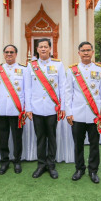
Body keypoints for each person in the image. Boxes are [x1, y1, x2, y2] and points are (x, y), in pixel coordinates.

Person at [65, 42, 101, 183]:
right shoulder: (72, 70)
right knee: (78, 144)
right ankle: (79, 168)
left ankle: (93, 170)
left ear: (92, 52)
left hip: (94, 115)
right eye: (83, 50)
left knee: (94, 144)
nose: (85, 53)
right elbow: (68, 93)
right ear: (78, 53)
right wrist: (68, 112)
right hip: (77, 114)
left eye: (88, 50)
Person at [25, 38, 66, 179]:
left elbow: (62, 87)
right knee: (40, 137)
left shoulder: (58, 65)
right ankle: (41, 164)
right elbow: (28, 89)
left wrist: (63, 106)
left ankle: (51, 165)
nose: (43, 49)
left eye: (45, 46)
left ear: (50, 49)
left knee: (52, 137)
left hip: (52, 108)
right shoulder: (31, 66)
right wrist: (28, 108)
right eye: (40, 47)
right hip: (36, 109)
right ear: (37, 49)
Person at [0, 45, 28, 175]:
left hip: (17, 110)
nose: (9, 54)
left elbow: (26, 90)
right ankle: (4, 161)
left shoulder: (23, 69)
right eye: (6, 52)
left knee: (17, 138)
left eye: (11, 52)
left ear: (16, 54)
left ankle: (17, 161)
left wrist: (25, 108)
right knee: (3, 137)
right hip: (1, 109)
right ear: (3, 54)